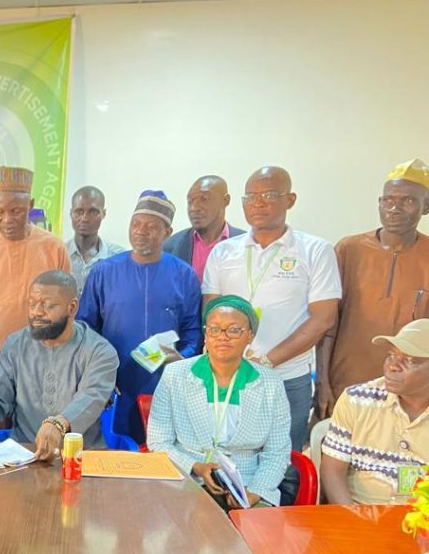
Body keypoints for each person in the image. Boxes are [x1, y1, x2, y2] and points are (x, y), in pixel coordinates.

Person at [203, 166, 341, 451]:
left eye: (268, 195)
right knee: (226, 459)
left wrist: (266, 361)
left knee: (283, 461)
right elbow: (211, 311)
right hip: (228, 377)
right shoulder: (223, 251)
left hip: (286, 378)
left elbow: (324, 318)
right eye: (250, 196)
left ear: (290, 199)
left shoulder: (315, 250)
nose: (258, 203)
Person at [0, 271, 118, 457]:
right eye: (32, 304)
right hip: (24, 452)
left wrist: (59, 424)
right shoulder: (15, 344)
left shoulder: (99, 351)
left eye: (48, 305)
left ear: (72, 307)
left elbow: (91, 397)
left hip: (80, 455)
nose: (37, 312)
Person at [78, 190, 203, 443]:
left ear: (167, 232)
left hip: (164, 384)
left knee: (161, 451)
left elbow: (193, 332)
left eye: (151, 226)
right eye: (136, 224)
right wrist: (97, 372)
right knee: (114, 452)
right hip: (114, 383)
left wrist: (181, 359)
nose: (141, 231)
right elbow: (86, 329)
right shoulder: (104, 272)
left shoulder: (184, 275)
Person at [147, 295, 291, 508]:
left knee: (254, 527)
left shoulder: (270, 383)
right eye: (214, 329)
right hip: (188, 480)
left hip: (248, 482)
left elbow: (277, 452)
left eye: (234, 330)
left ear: (250, 336)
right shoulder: (175, 375)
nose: (223, 337)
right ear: (206, 335)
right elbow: (158, 442)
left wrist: (254, 492)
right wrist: (196, 466)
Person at [316, 159, 429, 417]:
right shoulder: (349, 249)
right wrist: (322, 383)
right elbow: (327, 324)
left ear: (426, 206)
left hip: (411, 393)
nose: (394, 209)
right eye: (388, 200)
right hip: (345, 384)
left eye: (408, 201)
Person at [0, 166, 70, 386]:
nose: (7, 219)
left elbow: (66, 315)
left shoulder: (54, 249)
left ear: (31, 205)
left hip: (42, 367)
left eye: (16, 211)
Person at [322, 320, 429, 505]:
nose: (393, 366)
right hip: (361, 511)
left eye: (409, 360)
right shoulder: (357, 400)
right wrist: (351, 516)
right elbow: (333, 471)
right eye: (391, 356)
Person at [162, 175, 245, 280]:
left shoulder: (247, 244)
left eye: (204, 199)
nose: (194, 208)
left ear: (226, 200)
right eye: (190, 201)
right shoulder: (170, 247)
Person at [65, 186, 126, 294]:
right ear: (71, 213)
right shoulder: (58, 254)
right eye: (79, 212)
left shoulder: (119, 258)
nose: (84, 218)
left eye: (93, 212)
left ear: (103, 214)